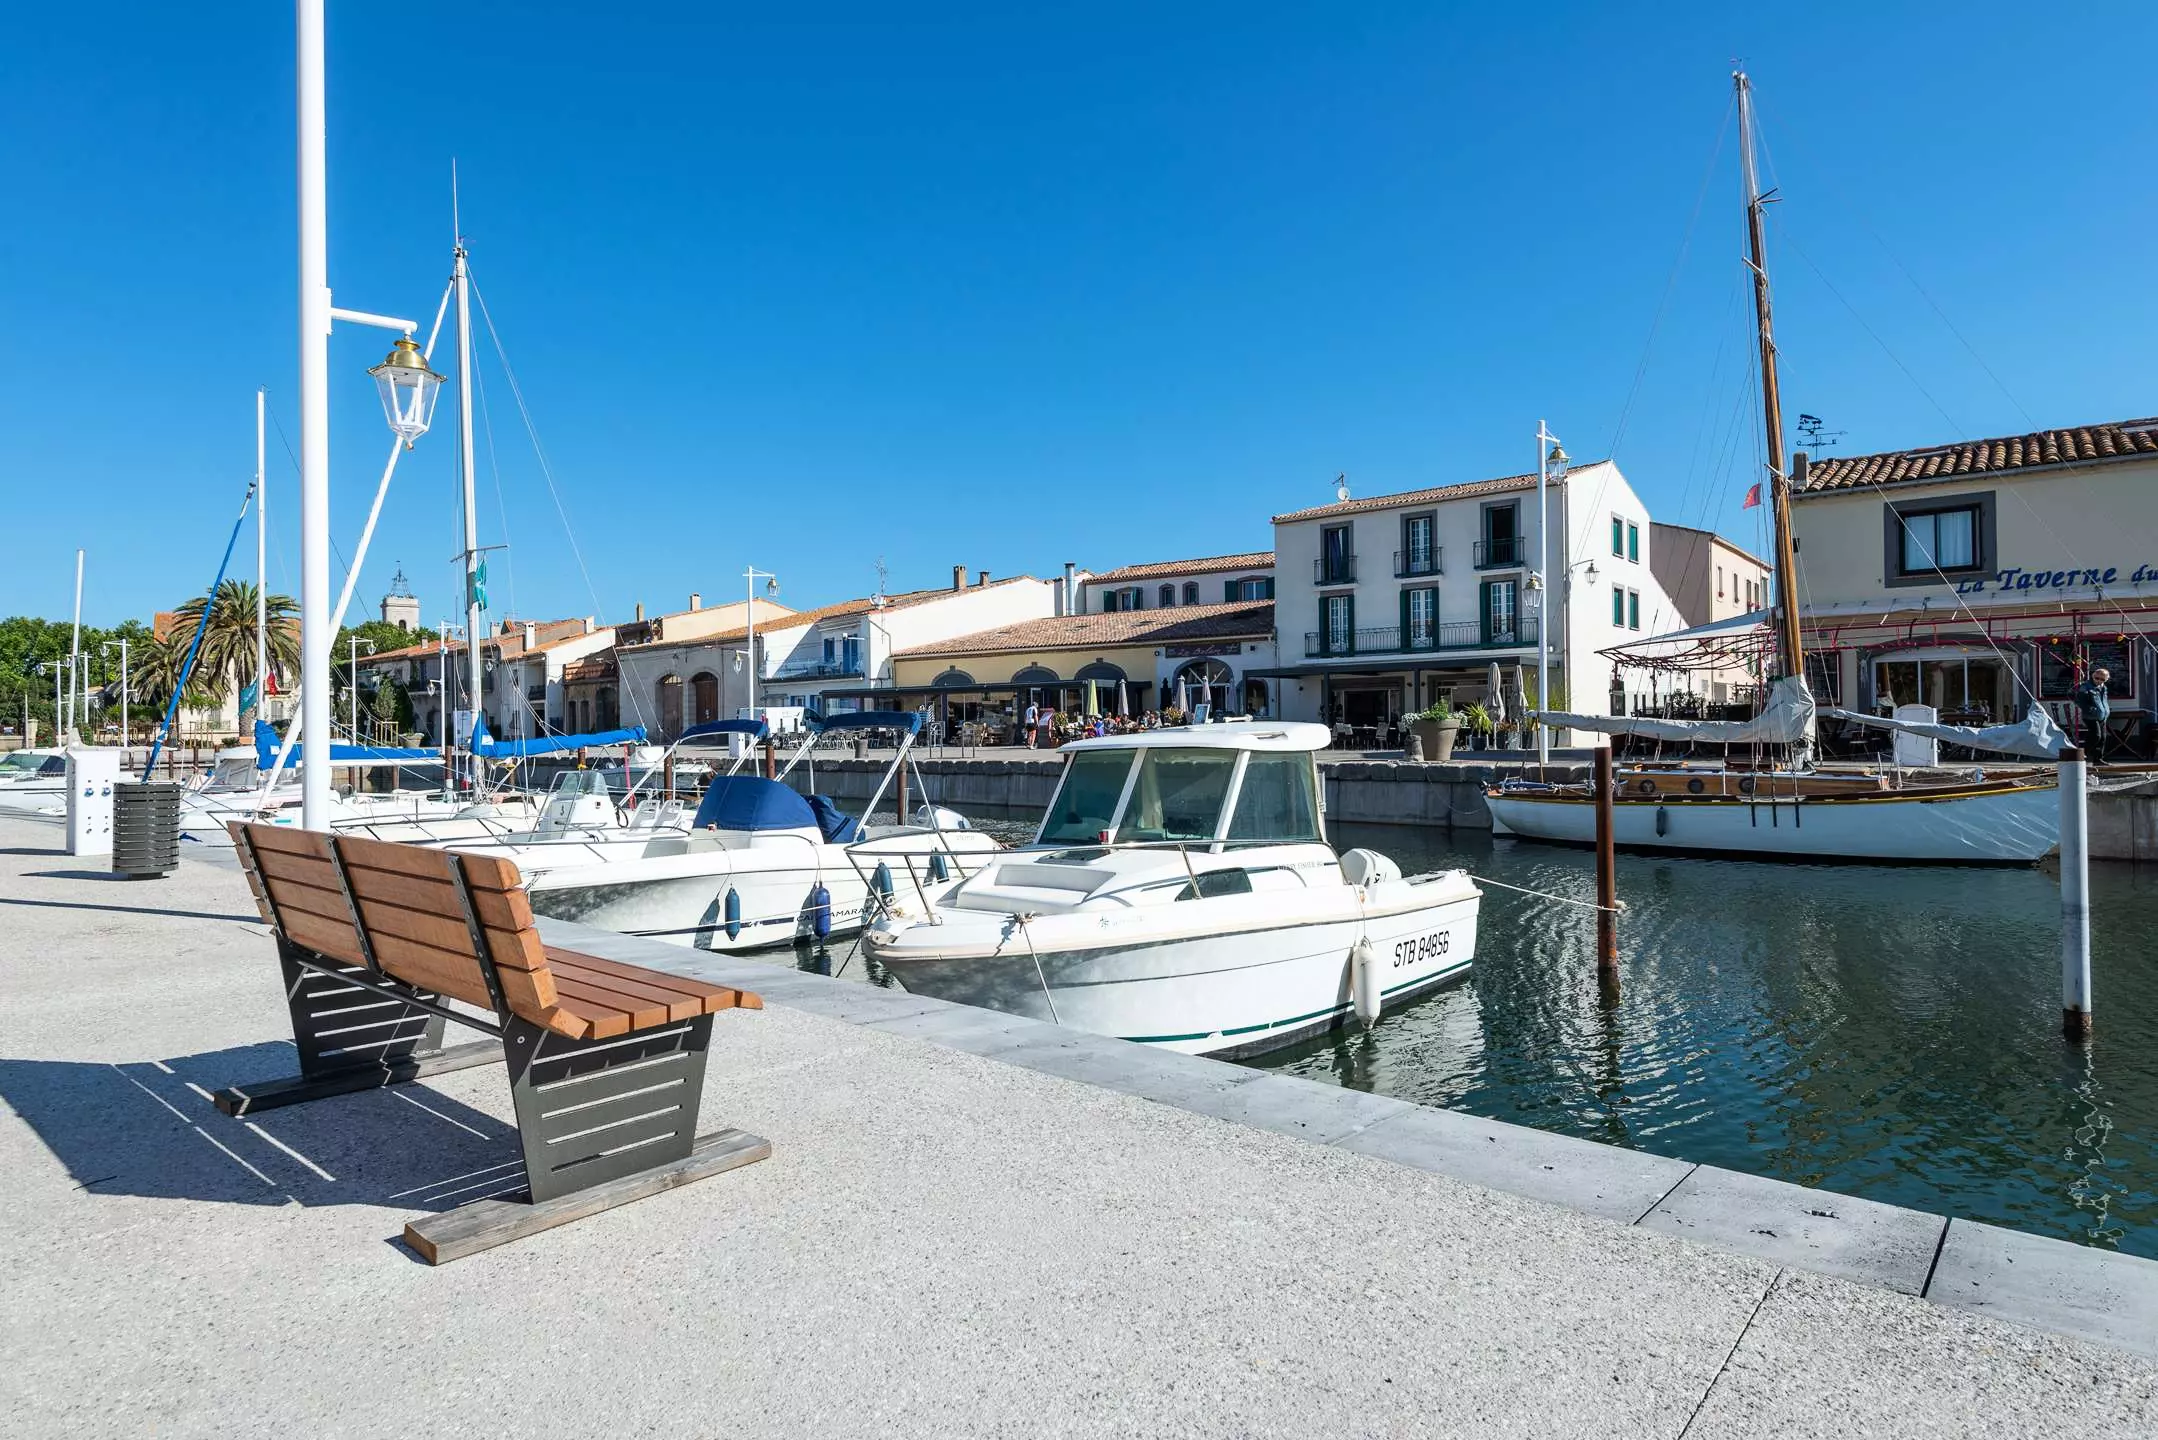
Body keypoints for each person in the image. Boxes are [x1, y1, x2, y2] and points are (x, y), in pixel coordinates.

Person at [2071, 667, 2113, 761]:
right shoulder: (2085, 687)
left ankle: (2098, 759)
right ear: (2093, 676)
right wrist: (2091, 709)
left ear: (2106, 679)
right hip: (2090, 716)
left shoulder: (2104, 688)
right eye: (2097, 678)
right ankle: (2083, 754)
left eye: (2102, 679)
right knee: (2096, 735)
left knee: (2103, 738)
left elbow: (2103, 701)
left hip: (2102, 715)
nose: (2099, 681)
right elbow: (2079, 701)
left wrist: (2106, 711)